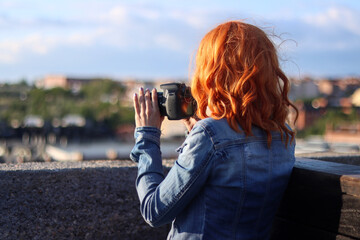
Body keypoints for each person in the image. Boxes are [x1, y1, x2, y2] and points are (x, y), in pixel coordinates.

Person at [130, 20, 298, 240]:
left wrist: (147, 134)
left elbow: (154, 211)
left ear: (212, 73)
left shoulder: (211, 135)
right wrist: (196, 134)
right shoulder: (283, 135)